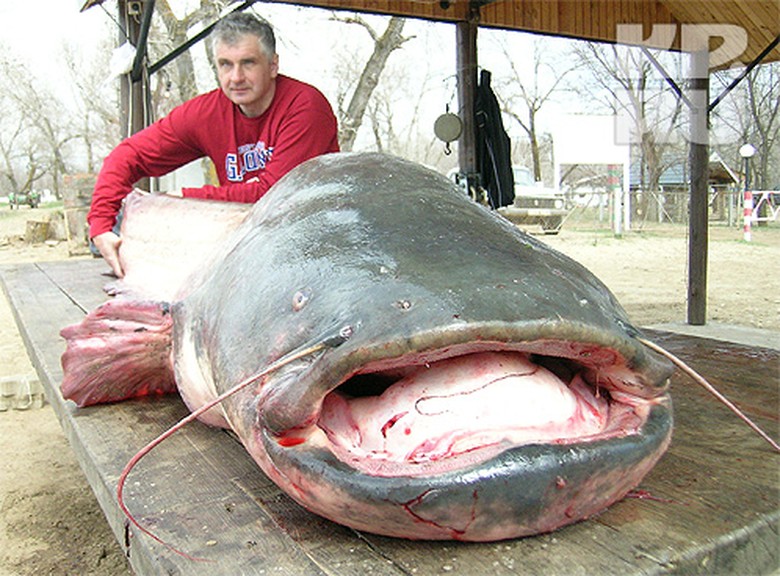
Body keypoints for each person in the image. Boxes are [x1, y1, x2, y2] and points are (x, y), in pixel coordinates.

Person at [88, 11, 340, 277]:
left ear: (273, 65)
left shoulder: (306, 107)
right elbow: (128, 155)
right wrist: (101, 226)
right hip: (246, 245)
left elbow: (275, 195)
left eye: (248, 63)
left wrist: (184, 199)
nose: (236, 77)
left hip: (315, 248)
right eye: (225, 65)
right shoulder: (208, 112)